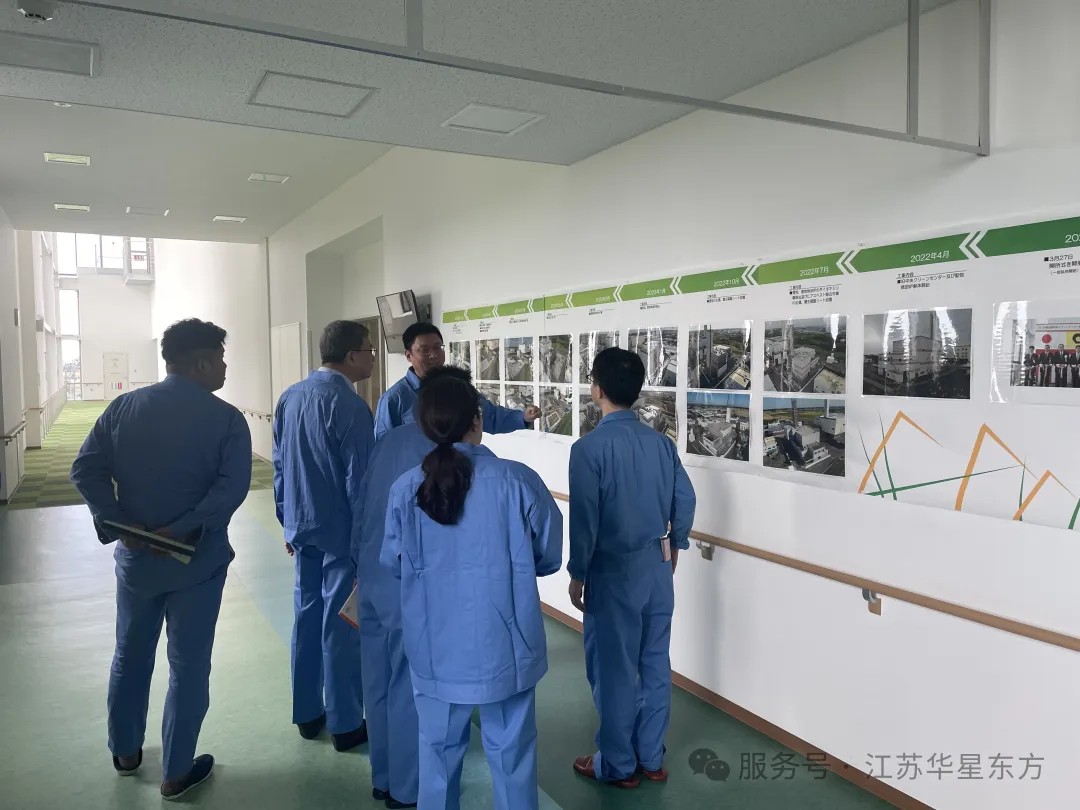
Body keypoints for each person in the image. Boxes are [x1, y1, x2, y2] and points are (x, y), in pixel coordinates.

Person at [70, 318, 251, 801]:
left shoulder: (124, 408)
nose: (225, 368)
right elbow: (231, 488)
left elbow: (85, 468)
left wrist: (119, 523)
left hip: (138, 563)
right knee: (188, 665)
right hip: (196, 562)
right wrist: (187, 526)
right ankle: (176, 771)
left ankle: (126, 752)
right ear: (202, 363)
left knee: (129, 655)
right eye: (221, 359)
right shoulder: (226, 420)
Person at [381, 371, 563, 810]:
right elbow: (548, 555)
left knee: (437, 757)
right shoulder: (517, 481)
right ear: (477, 420)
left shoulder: (406, 489)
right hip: (505, 645)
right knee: (513, 757)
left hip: (434, 646)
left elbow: (393, 562)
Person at [568, 347, 696, 789]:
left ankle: (618, 765)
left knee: (614, 670)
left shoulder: (588, 449)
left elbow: (585, 521)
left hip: (612, 573)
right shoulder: (661, 444)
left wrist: (577, 572)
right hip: (657, 568)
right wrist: (676, 544)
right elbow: (685, 500)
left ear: (597, 390)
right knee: (655, 664)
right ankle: (651, 757)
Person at [355, 368, 470, 809]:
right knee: (409, 687)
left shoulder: (388, 441)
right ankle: (406, 789)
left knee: (378, 680)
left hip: (371, 576)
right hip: (408, 585)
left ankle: (382, 776)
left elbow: (362, 503)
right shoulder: (448, 455)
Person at [273, 320, 376, 751]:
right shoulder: (350, 406)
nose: (372, 357)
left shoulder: (290, 397)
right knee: (342, 626)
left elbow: (280, 465)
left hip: (303, 528)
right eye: (369, 350)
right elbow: (360, 484)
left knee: (306, 617)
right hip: (341, 534)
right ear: (351, 356)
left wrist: (287, 519)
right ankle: (346, 723)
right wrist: (367, 544)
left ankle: (308, 713)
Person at [374, 322, 541, 438]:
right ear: (408, 355)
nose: (433, 355)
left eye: (438, 347)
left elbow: (489, 416)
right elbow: (384, 447)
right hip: (416, 475)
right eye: (424, 350)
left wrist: (523, 417)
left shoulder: (456, 387)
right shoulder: (394, 399)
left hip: (457, 469)